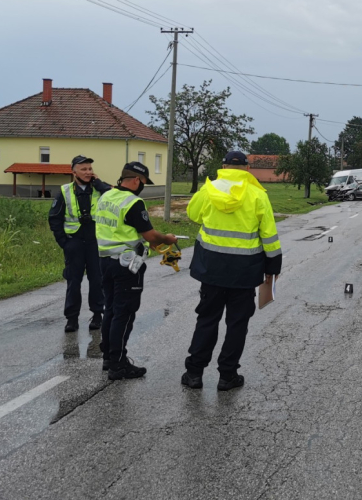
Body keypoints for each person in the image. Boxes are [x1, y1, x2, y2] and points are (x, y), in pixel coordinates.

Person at [182, 151, 282, 391]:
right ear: (247, 169)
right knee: (237, 324)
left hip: (211, 268)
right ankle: (228, 375)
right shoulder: (257, 194)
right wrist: (273, 267)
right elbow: (268, 233)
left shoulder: (208, 189)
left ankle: (194, 373)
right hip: (244, 270)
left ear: (223, 166)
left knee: (207, 319)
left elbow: (193, 215)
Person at [94, 161, 177, 381]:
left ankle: (108, 358)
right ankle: (119, 364)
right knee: (124, 313)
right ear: (137, 180)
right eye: (143, 183)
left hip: (105, 261)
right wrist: (167, 239)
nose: (143, 187)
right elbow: (150, 235)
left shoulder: (106, 197)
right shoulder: (133, 202)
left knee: (110, 309)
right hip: (126, 265)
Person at [49, 155, 113, 333]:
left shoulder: (100, 189)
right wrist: (64, 242)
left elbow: (117, 199)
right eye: (84, 169)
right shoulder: (65, 191)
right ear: (74, 172)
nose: (88, 172)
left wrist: (100, 184)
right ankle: (72, 319)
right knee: (73, 281)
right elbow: (54, 218)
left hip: (95, 242)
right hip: (74, 242)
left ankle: (98, 315)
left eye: (90, 169)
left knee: (97, 280)